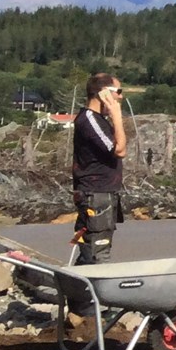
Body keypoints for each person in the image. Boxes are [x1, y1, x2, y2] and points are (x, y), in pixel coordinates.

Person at [71, 72, 128, 265]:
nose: (120, 97)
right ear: (103, 93)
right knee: (98, 250)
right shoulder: (89, 119)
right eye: (118, 91)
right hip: (95, 194)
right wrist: (117, 117)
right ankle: (100, 293)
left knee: (91, 248)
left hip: (102, 193)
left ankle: (77, 290)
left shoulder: (98, 120)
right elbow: (119, 150)